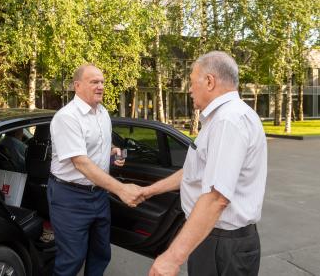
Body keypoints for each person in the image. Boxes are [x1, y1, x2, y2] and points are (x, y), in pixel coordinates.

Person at [144, 51, 267, 276]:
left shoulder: (227, 121)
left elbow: (216, 198)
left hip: (221, 245)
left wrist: (172, 258)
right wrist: (149, 191)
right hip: (217, 240)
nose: (189, 90)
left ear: (209, 81)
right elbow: (194, 173)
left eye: (192, 82)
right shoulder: (226, 117)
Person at [48, 64, 145, 276]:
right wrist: (121, 189)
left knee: (100, 253)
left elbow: (95, 144)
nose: (100, 86)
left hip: (98, 195)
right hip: (70, 198)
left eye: (102, 82)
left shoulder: (102, 112)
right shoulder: (67, 117)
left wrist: (112, 150)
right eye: (94, 82)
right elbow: (81, 162)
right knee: (71, 259)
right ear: (77, 85)